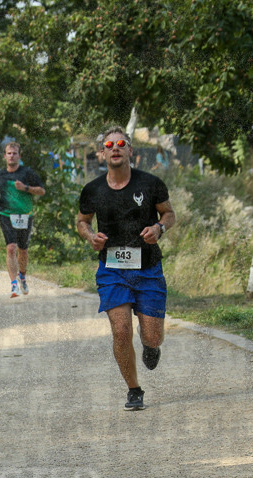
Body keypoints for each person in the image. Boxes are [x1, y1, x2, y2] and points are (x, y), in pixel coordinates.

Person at [76, 126, 176, 410]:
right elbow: (82, 221)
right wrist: (90, 236)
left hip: (148, 269)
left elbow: (169, 214)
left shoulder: (150, 183)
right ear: (102, 153)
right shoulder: (93, 190)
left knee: (152, 336)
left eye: (121, 143)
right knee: (120, 331)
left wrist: (159, 228)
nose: (115, 148)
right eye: (109, 145)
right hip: (112, 270)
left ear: (131, 150)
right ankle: (134, 390)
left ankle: (151, 346)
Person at [0, 141, 46, 298]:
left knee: (23, 250)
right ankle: (14, 285)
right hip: (6, 215)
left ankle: (22, 276)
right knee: (11, 248)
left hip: (24, 215)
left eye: (14, 153)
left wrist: (25, 188)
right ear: (5, 156)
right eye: (9, 153)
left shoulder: (27, 173)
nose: (11, 156)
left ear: (19, 156)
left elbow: (41, 191)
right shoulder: (0, 175)